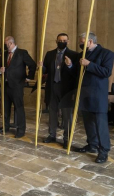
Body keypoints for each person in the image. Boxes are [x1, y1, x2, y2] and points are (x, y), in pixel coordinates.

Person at [68, 32, 114, 163]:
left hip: (97, 95)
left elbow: (106, 72)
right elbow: (77, 74)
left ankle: (103, 150)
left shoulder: (106, 53)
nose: (80, 44)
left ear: (90, 41)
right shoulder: (81, 55)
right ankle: (92, 145)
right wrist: (70, 65)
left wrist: (89, 64)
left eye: (82, 42)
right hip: (84, 94)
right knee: (88, 123)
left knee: (101, 125)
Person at [40, 33, 78, 148]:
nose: (62, 42)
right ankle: (52, 135)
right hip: (53, 87)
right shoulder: (50, 54)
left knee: (67, 115)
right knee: (52, 112)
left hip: (66, 89)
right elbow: (46, 70)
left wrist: (70, 65)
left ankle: (67, 139)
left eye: (64, 40)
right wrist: (41, 67)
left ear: (68, 41)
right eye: (60, 40)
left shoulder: (74, 55)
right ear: (56, 41)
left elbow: (76, 73)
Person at [0, 36, 36, 138]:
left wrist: (29, 78)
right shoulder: (4, 54)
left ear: (9, 43)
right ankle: (5, 126)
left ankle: (21, 129)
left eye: (5, 43)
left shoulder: (22, 53)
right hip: (5, 85)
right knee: (5, 107)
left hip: (17, 85)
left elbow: (32, 65)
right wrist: (0, 70)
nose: (4, 46)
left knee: (19, 108)